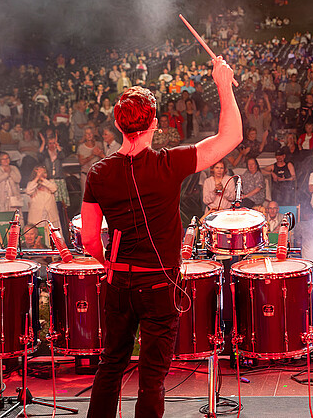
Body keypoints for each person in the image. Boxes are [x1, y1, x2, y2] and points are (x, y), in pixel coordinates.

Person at [80, 55, 241, 418]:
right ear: (154, 123)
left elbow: (89, 237)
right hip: (160, 285)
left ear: (119, 126)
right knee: (152, 376)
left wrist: (108, 263)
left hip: (120, 282)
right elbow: (231, 137)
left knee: (111, 365)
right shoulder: (169, 163)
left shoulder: (98, 173)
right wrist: (223, 85)